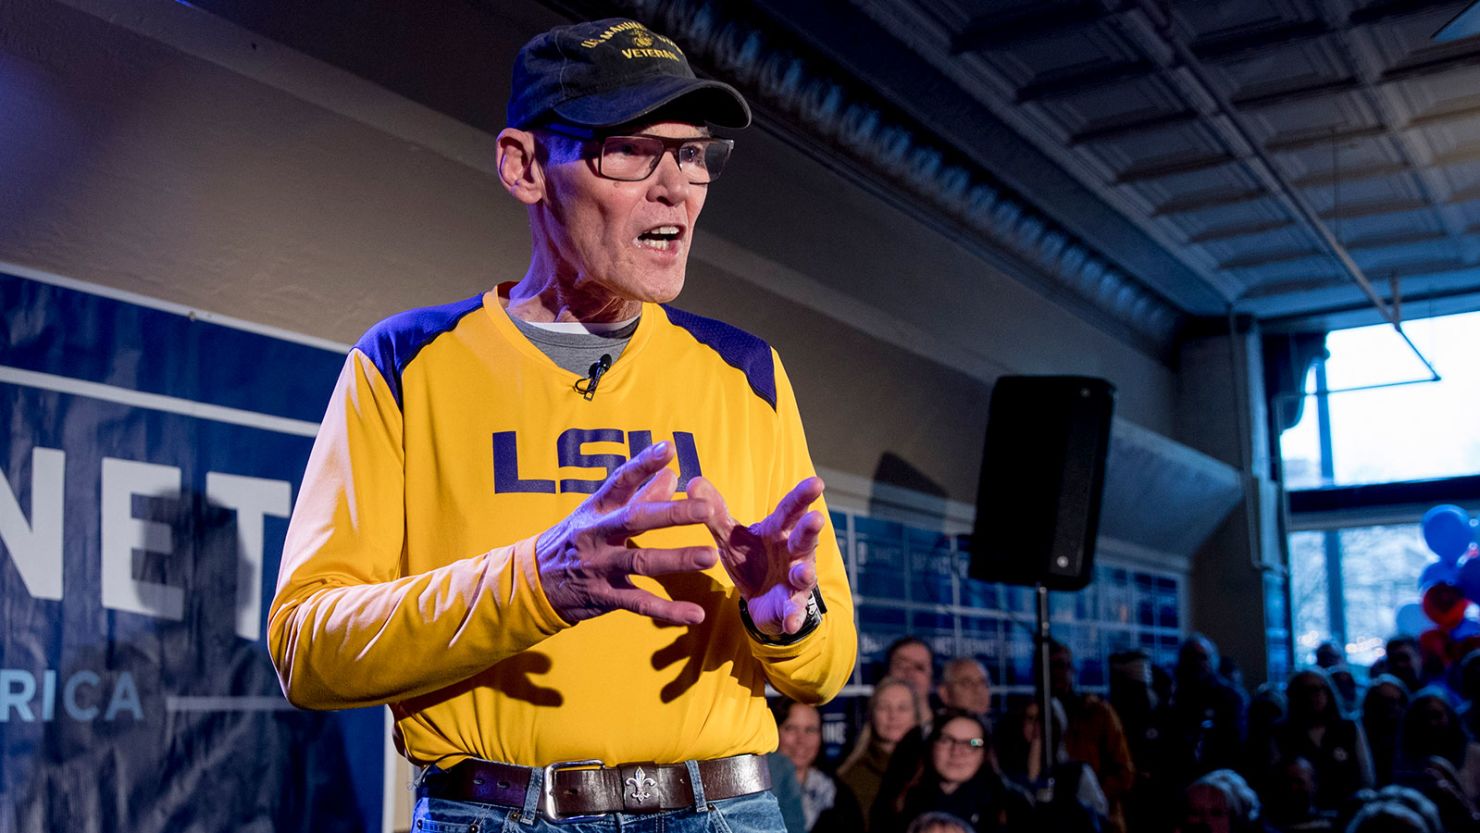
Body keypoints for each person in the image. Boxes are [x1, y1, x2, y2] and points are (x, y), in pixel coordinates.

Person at [265, 17, 857, 832]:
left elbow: (826, 670)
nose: (677, 186)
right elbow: (307, 648)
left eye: (692, 153)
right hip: (499, 814)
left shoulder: (748, 372)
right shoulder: (405, 362)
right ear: (524, 165)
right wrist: (535, 582)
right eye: (630, 150)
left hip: (724, 810)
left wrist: (782, 618)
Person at [878, 710, 1032, 833]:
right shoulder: (902, 801)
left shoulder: (1012, 804)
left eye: (972, 743)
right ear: (931, 746)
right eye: (946, 740)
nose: (957, 751)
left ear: (984, 754)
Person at [1049, 639, 1135, 832]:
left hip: (1100, 819)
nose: (1059, 673)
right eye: (1052, 666)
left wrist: (1092, 797)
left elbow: (1124, 771)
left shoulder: (1099, 713)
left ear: (1074, 670)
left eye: (1064, 665)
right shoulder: (1031, 715)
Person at [1266, 669, 1374, 812]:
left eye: (1322, 688)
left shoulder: (1348, 728)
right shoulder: (1281, 733)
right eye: (1308, 690)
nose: (1317, 695)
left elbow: (1366, 776)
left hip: (1347, 810)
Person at [839, 677, 925, 828]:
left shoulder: (930, 770)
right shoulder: (850, 777)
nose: (893, 716)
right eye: (884, 707)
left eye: (902, 708)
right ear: (871, 715)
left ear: (916, 717)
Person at [774, 699, 864, 832]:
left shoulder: (840, 797)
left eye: (810, 730)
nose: (801, 740)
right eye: (791, 728)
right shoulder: (754, 793)